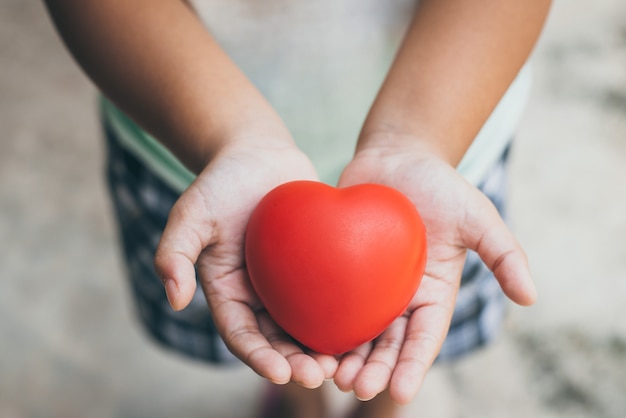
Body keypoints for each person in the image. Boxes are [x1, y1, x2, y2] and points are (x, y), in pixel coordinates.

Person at [44, 0, 551, 416]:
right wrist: (230, 138)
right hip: (189, 139)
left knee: (405, 340)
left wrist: (419, 139)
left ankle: (382, 405)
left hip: (448, 134)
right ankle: (298, 396)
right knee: (275, 337)